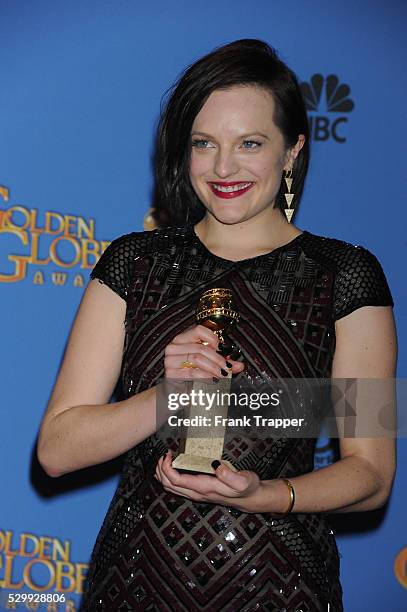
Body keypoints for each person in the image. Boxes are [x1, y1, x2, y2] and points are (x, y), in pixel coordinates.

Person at [37, 39, 397, 612]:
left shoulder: (346, 276)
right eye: (204, 143)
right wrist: (164, 399)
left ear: (292, 151)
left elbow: (371, 475)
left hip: (281, 587)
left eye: (250, 143)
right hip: (134, 585)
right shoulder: (134, 263)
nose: (223, 167)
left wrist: (267, 495)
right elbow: (57, 449)